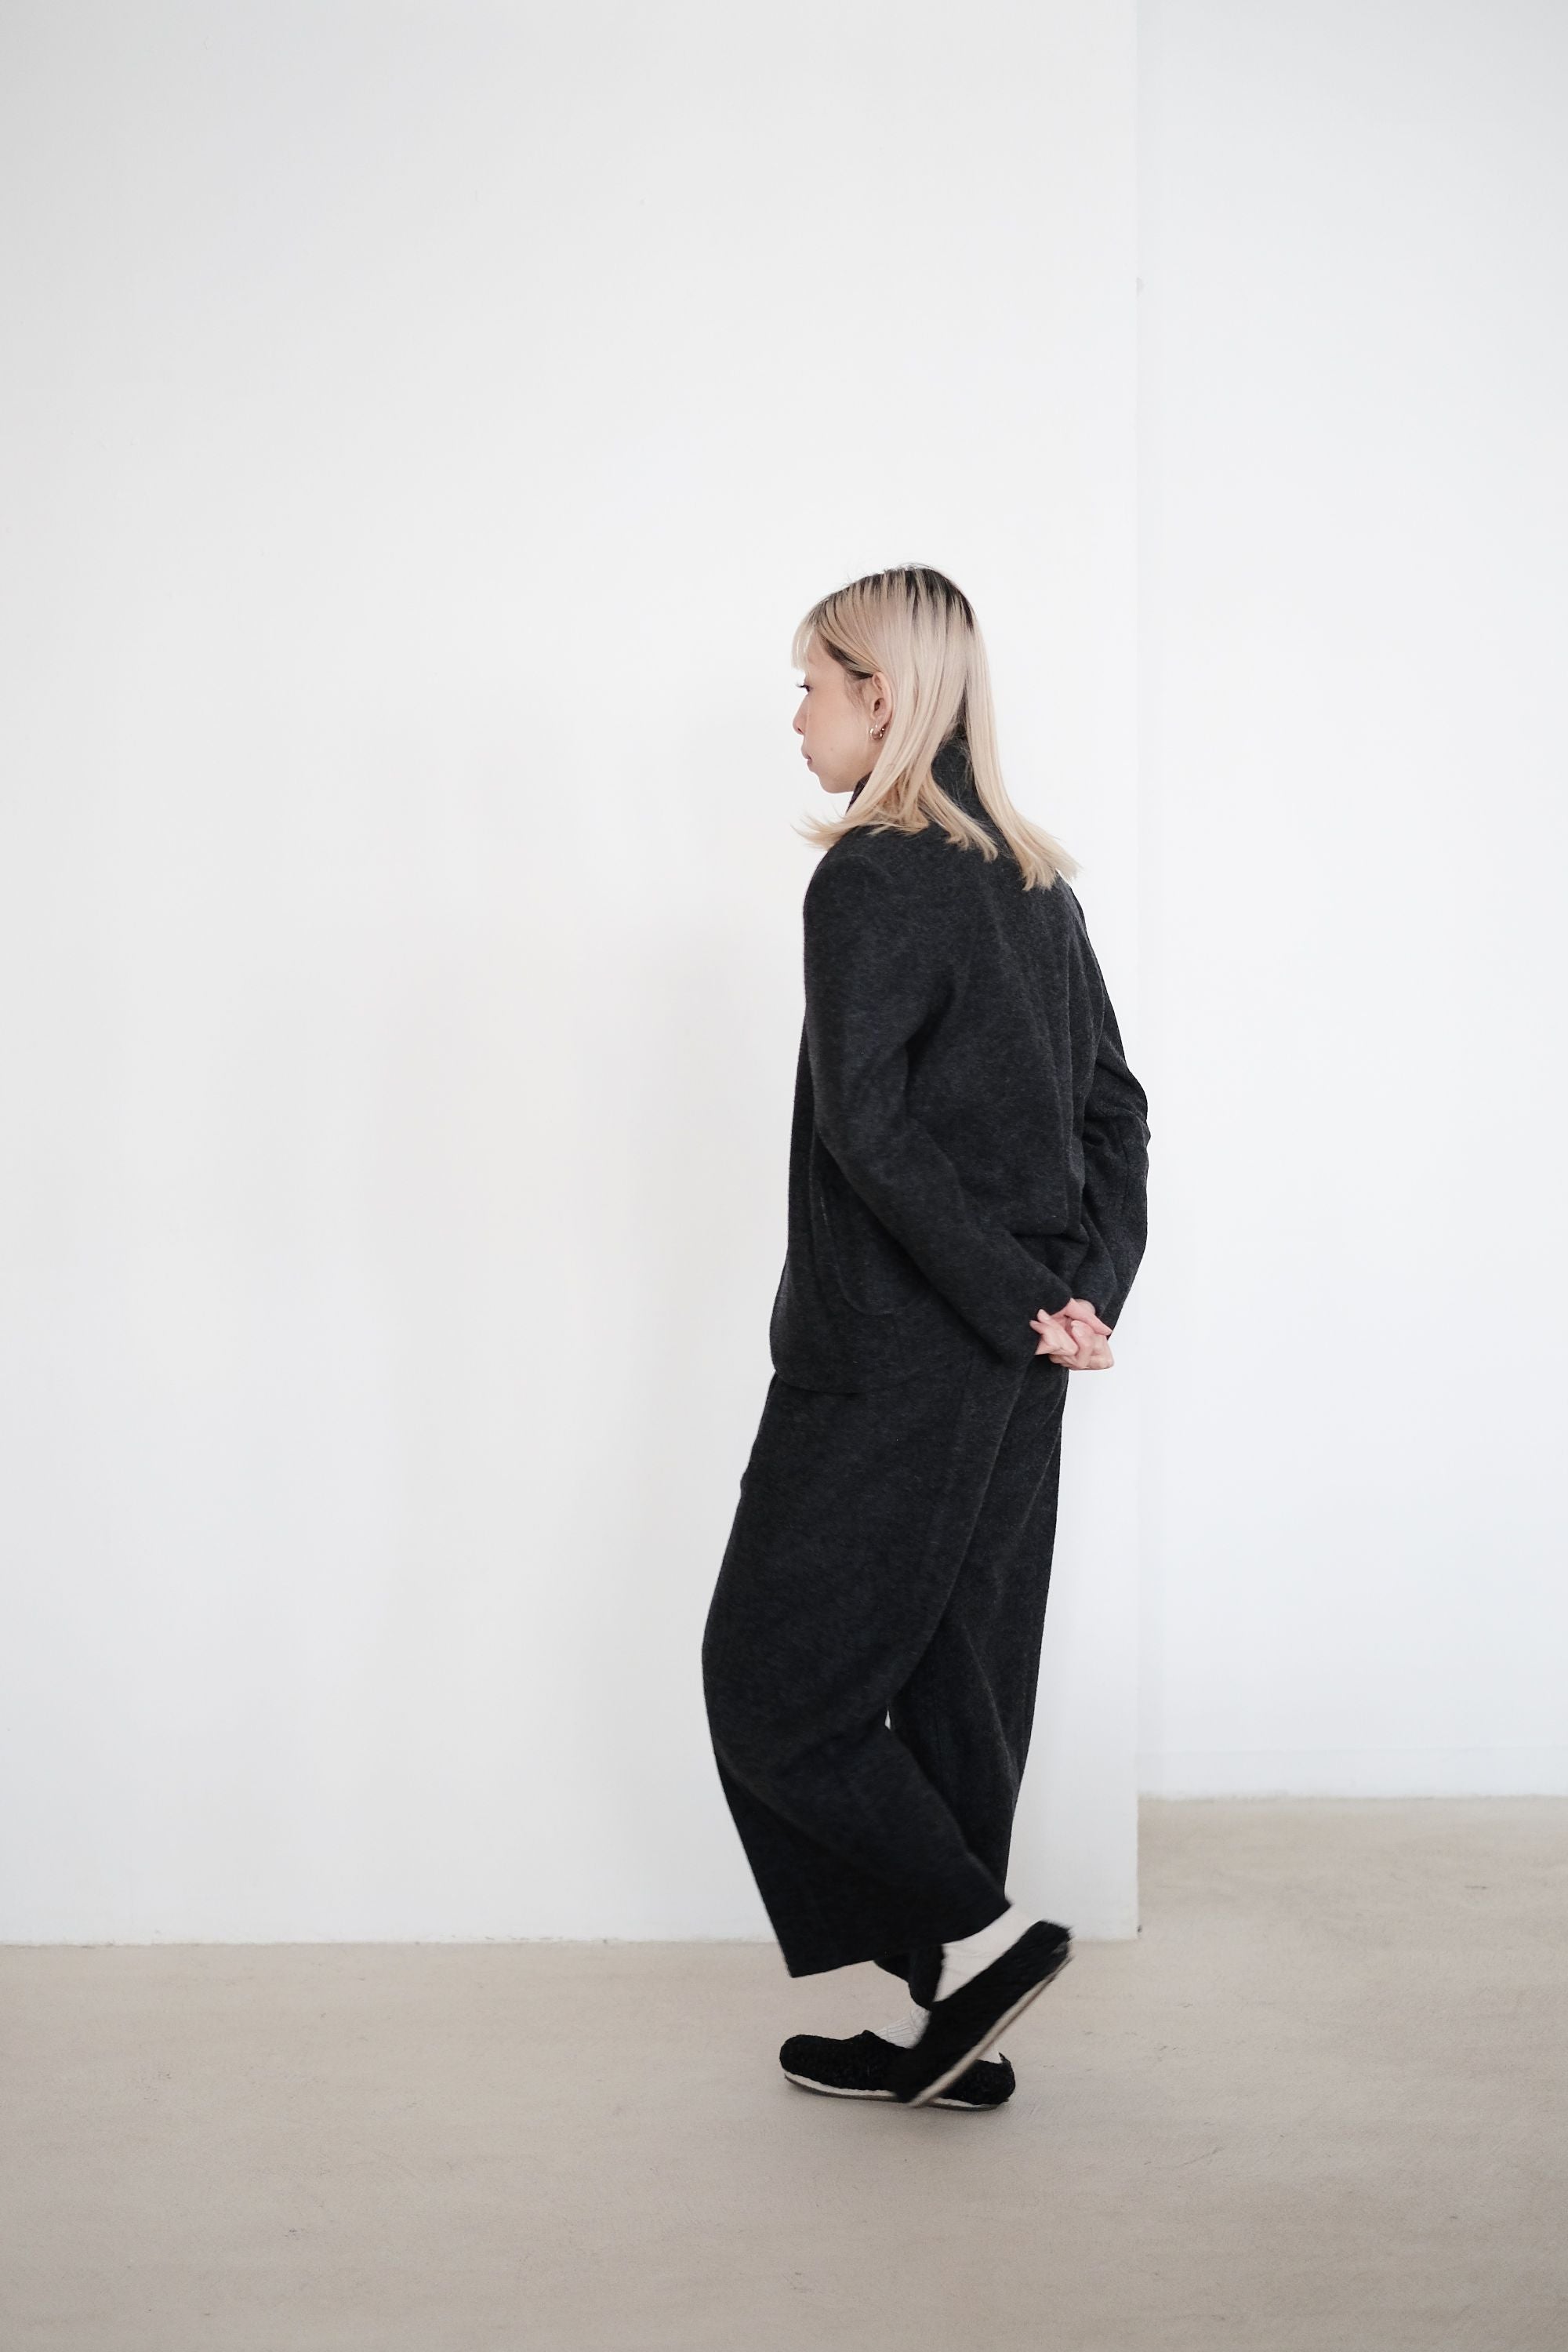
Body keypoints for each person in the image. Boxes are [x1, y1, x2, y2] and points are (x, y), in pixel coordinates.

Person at [701, 565, 1150, 2111]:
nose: (798, 718)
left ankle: (984, 1941)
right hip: (1013, 1361)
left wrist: (1024, 1300)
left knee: (774, 1683)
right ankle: (951, 2029)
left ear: (881, 694)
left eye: (812, 685)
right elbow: (1116, 1120)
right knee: (959, 1688)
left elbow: (872, 1135)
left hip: (895, 1354)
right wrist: (1079, 1297)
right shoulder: (1036, 886)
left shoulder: (872, 876)